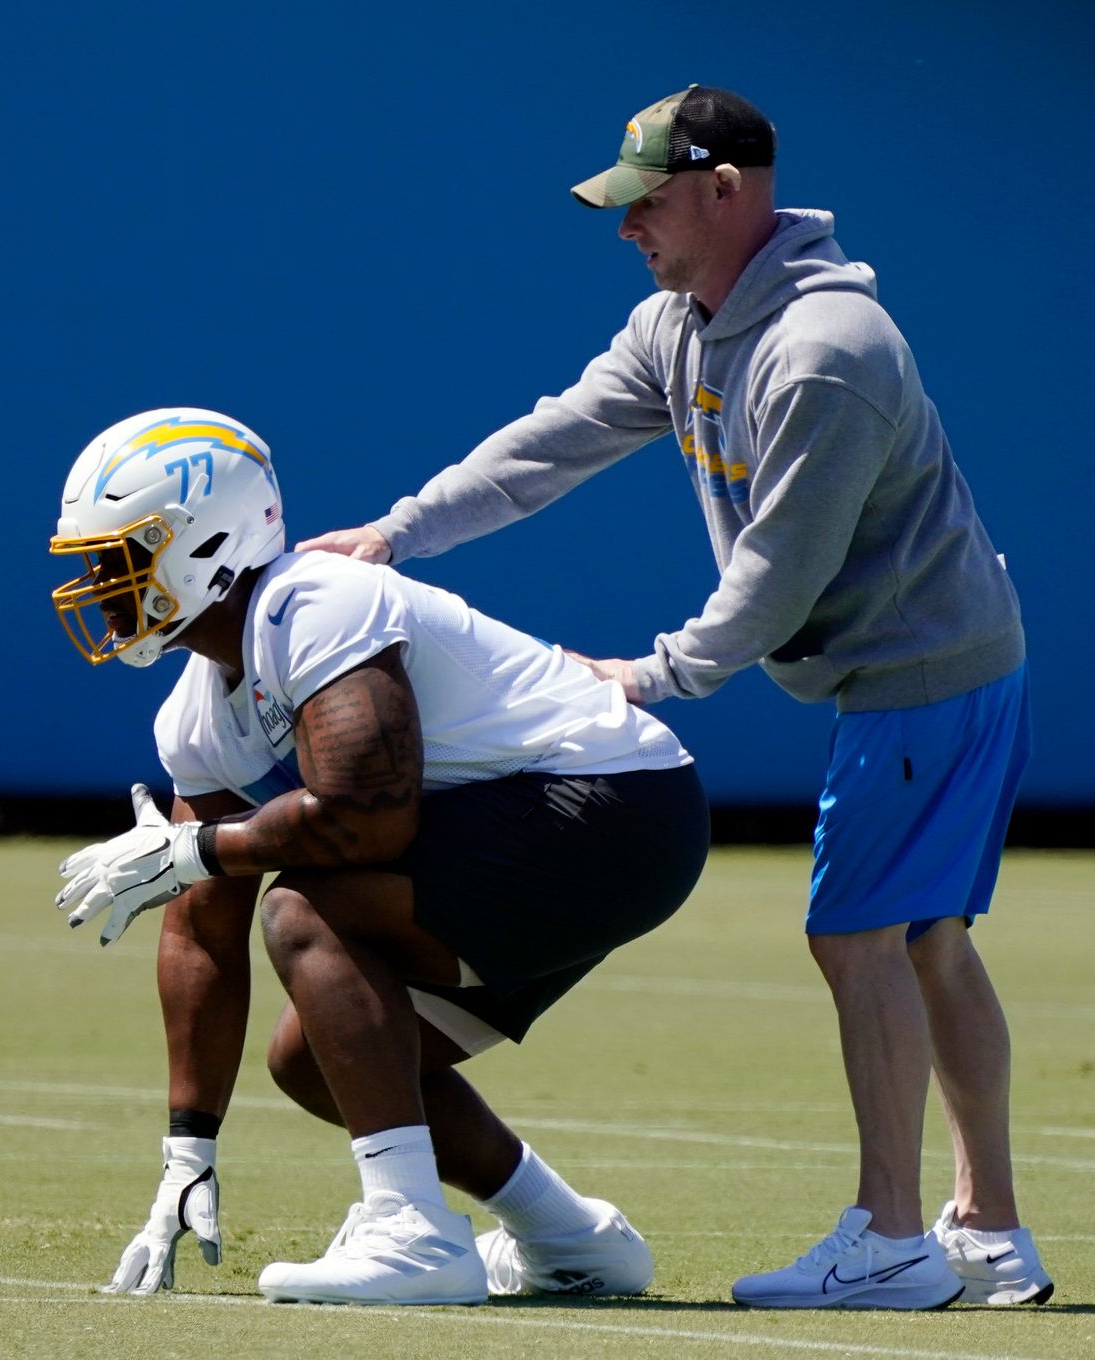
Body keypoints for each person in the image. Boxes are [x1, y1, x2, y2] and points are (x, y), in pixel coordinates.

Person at [297, 86, 1053, 1310]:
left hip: (922, 676)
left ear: (724, 190)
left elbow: (776, 578)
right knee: (928, 941)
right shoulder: (682, 325)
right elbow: (553, 442)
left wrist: (652, 673)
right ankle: (989, 1229)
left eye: (645, 201)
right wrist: (393, 532)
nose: (625, 227)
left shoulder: (826, 352)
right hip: (947, 663)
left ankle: (896, 1238)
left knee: (857, 935)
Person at [48, 407, 709, 1305]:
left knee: (303, 908)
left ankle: (412, 1230)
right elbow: (202, 934)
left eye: (120, 555)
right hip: (574, 825)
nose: (99, 583)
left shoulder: (314, 598)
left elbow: (369, 818)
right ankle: (571, 1236)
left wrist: (201, 847)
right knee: (316, 1059)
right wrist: (186, 1153)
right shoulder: (197, 715)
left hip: (616, 801)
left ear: (206, 542)